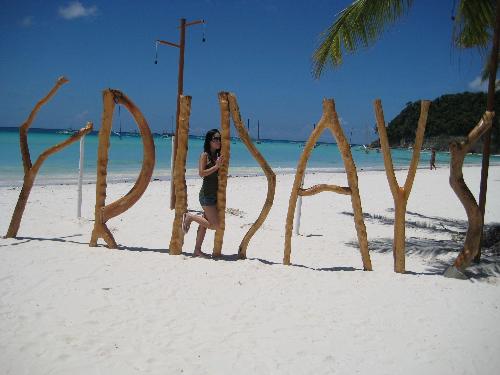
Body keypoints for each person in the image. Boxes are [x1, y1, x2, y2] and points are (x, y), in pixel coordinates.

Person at [182, 129, 224, 257]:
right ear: (209, 141)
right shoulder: (204, 155)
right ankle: (190, 217)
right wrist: (216, 167)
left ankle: (197, 250)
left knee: (204, 224)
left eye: (219, 139)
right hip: (206, 196)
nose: (218, 141)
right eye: (215, 139)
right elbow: (201, 173)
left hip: (214, 196)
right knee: (215, 225)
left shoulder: (217, 156)